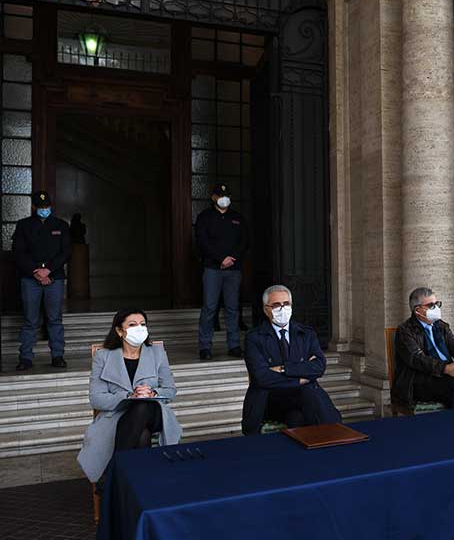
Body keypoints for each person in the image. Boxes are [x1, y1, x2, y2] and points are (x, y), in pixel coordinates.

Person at [77, 309, 182, 483]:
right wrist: (128, 396)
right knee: (142, 437)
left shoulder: (157, 353)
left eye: (142, 324)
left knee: (142, 407)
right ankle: (136, 485)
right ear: (119, 331)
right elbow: (96, 398)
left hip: (154, 412)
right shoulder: (103, 357)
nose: (139, 329)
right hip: (120, 415)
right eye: (132, 325)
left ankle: (112, 470)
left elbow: (170, 390)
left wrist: (153, 393)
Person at [241, 284, 342, 434]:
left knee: (300, 414)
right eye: (276, 305)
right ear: (266, 310)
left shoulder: (306, 334)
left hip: (301, 397)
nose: (282, 309)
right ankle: (332, 431)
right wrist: (299, 376)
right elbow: (261, 377)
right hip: (271, 399)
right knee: (303, 400)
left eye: (286, 304)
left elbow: (319, 366)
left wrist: (283, 369)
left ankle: (333, 434)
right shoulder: (254, 338)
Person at [391, 287, 454, 412]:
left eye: (437, 304)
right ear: (418, 310)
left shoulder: (441, 326)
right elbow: (417, 359)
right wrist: (446, 369)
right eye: (431, 305)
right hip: (418, 383)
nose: (437, 308)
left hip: (445, 378)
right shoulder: (405, 330)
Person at [12, 191, 70, 371]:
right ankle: (26, 357)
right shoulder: (23, 225)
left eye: (47, 207)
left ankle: (58, 355)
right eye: (41, 207)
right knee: (30, 320)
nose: (44, 210)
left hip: (55, 278)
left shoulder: (61, 225)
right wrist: (35, 271)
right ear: (34, 207)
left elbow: (66, 252)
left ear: (51, 206)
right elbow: (18, 252)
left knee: (54, 319)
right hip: (30, 279)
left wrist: (48, 271)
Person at [195, 183, 248, 360]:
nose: (224, 199)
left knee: (233, 308)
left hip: (234, 269)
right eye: (220, 195)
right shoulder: (205, 217)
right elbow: (202, 242)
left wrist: (232, 257)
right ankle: (205, 346)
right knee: (210, 307)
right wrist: (220, 259)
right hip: (212, 269)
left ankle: (234, 345)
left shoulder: (238, 218)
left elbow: (244, 241)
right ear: (213, 198)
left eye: (227, 195)